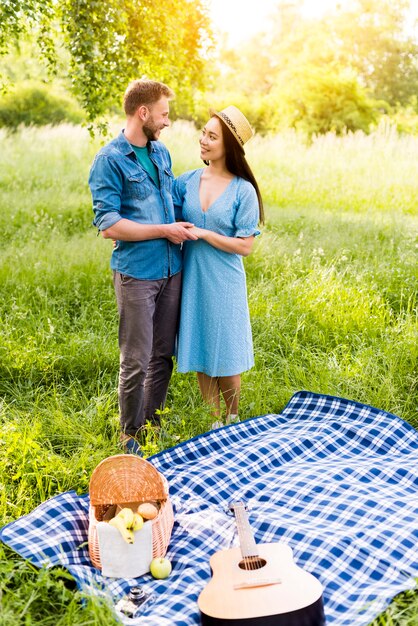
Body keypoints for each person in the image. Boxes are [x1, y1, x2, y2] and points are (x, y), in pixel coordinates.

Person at [88, 79, 197, 454]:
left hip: (172, 270)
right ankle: (130, 436)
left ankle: (153, 426)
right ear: (143, 112)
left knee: (162, 355)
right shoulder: (109, 160)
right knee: (135, 360)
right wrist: (164, 230)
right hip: (137, 274)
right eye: (164, 114)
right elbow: (109, 225)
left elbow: (174, 199)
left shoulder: (161, 153)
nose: (168, 121)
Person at [173, 105, 264, 429]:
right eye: (203, 133)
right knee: (199, 342)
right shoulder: (186, 181)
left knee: (227, 350)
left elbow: (245, 246)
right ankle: (213, 421)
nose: (203, 140)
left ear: (229, 146)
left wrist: (206, 233)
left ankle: (233, 416)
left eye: (212, 136)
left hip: (225, 279)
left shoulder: (243, 190)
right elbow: (159, 209)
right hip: (193, 276)